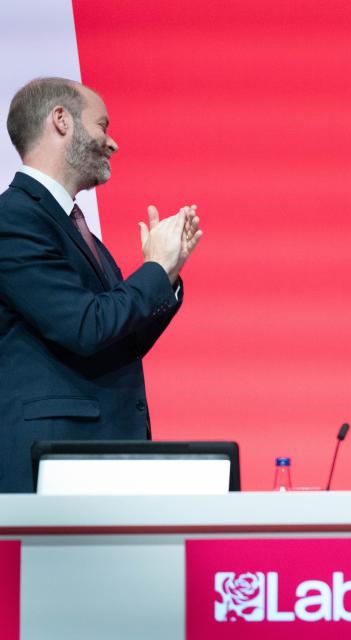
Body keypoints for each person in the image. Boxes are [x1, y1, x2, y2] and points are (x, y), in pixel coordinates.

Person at [0, 77, 202, 492]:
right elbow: (85, 327)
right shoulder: (14, 219)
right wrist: (152, 269)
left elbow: (118, 340)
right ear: (61, 121)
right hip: (51, 465)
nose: (112, 143)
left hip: (96, 459)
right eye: (102, 125)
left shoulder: (72, 225)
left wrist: (166, 273)